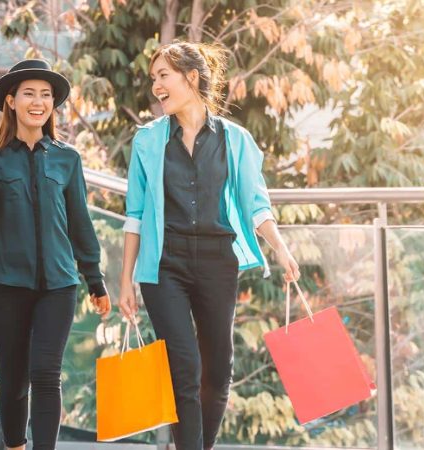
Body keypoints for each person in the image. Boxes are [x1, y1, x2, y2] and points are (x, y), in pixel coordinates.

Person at [116, 42, 301, 450]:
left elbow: (256, 205)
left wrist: (282, 250)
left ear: (192, 78)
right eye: (154, 78)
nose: (156, 86)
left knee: (217, 372)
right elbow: (135, 215)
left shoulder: (235, 139)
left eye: (164, 76)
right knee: (184, 367)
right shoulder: (148, 141)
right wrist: (125, 279)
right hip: (165, 266)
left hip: (219, 263)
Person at [0, 59, 111, 450]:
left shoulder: (67, 158)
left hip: (59, 285)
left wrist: (95, 280)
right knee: (13, 380)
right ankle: (14, 446)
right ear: (11, 101)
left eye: (46, 95)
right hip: (8, 283)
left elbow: (80, 222)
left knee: (46, 375)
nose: (38, 101)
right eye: (29, 93)